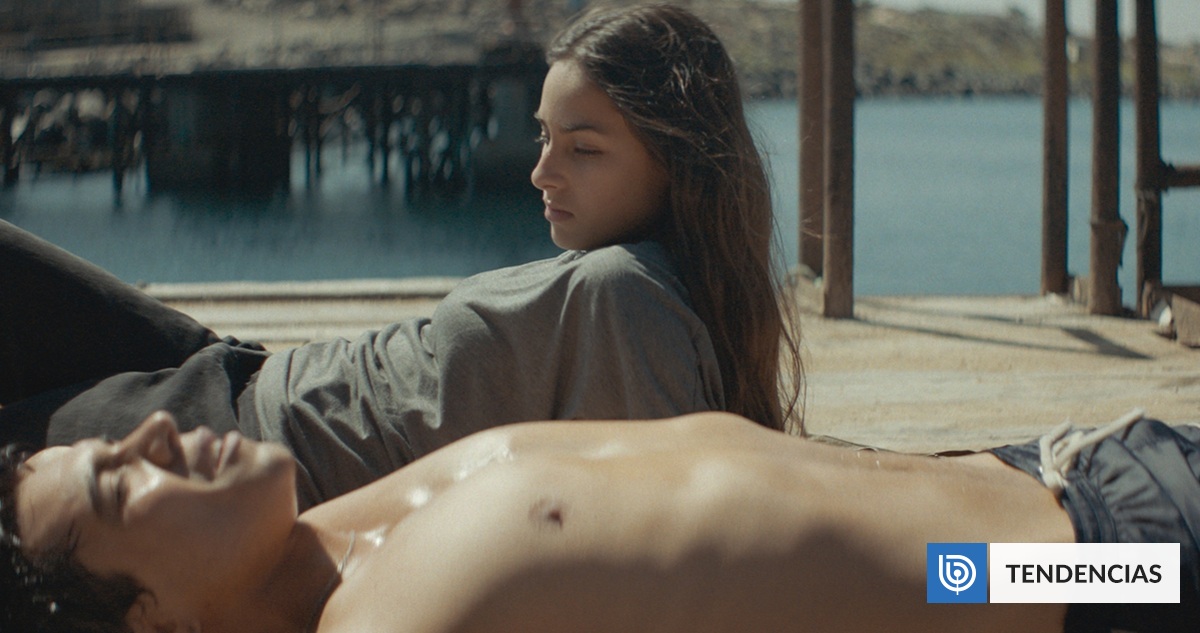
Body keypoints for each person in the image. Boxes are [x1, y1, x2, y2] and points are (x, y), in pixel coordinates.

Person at [0, 4, 803, 508]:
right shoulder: (650, 285)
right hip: (233, 369)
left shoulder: (630, 299)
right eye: (543, 137)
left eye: (582, 148)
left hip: (229, 438)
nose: (540, 172)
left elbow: (663, 530)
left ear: (680, 160)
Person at [2, 408, 1196, 633]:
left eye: (118, 434)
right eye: (118, 485)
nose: (155, 431)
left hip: (1079, 459)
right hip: (1109, 575)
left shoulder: (336, 533)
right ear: (150, 622)